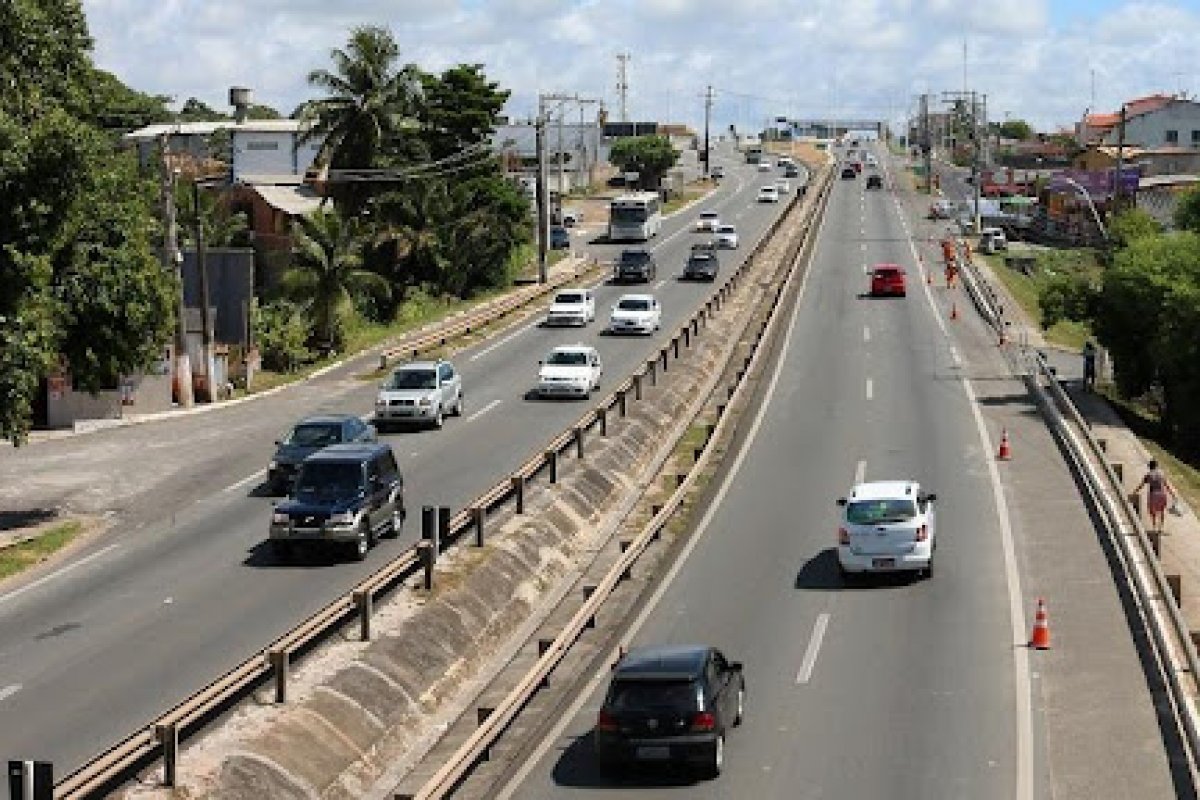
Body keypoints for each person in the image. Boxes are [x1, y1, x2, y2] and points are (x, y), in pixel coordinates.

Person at [1139, 460, 1177, 533]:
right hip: (1162, 494)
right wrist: (1173, 495)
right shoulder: (1162, 475)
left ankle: (1154, 526)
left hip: (1153, 494)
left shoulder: (1148, 475)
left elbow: (1141, 485)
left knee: (1152, 511)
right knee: (1161, 511)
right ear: (1156, 466)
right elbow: (1167, 486)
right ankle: (1160, 528)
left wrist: (1134, 491)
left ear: (1149, 467)